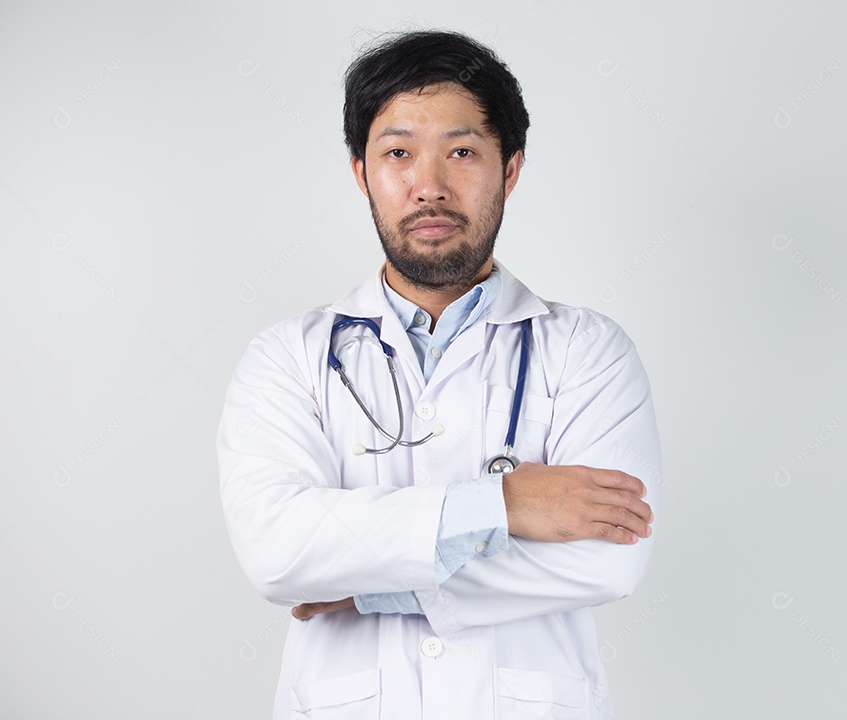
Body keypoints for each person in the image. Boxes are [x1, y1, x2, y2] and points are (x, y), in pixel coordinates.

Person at [217, 29, 661, 719]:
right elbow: (278, 550)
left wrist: (371, 588)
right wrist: (502, 506)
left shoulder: (587, 351)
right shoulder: (288, 358)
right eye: (398, 153)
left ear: (509, 168)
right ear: (362, 173)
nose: (429, 186)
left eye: (461, 151)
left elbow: (610, 557)